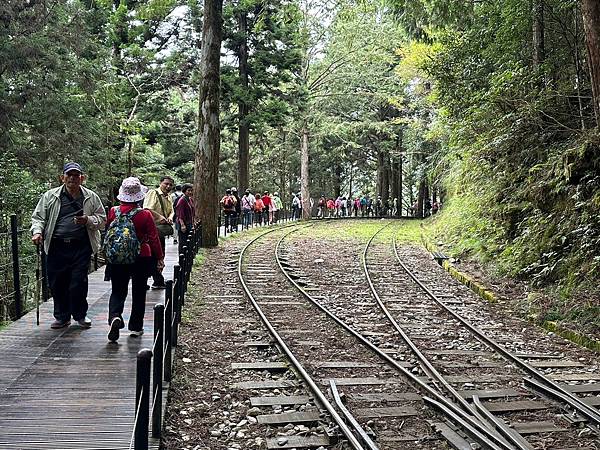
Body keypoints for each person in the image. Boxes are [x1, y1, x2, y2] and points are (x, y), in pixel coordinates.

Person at [31, 162, 106, 329]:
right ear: (62, 177)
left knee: (78, 281)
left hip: (81, 245)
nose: (72, 178)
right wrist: (37, 232)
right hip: (56, 245)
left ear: (82, 178)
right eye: (69, 175)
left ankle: (80, 315)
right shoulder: (50, 196)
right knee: (57, 282)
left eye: (76, 175)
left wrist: (87, 220)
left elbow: (102, 219)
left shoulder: (91, 197)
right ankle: (62, 317)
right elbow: (38, 218)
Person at [106, 177, 164, 342]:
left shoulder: (113, 211)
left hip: (117, 258)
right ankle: (136, 327)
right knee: (139, 293)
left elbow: (108, 233)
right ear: (139, 196)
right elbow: (153, 238)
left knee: (118, 290)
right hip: (141, 256)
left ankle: (115, 316)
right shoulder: (144, 214)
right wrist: (159, 258)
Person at [143, 176, 174, 289]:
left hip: (160, 230)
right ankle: (150, 280)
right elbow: (147, 209)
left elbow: (171, 211)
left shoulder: (169, 197)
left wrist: (170, 217)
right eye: (166, 184)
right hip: (151, 229)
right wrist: (159, 216)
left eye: (170, 185)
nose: (168, 186)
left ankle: (158, 279)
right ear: (160, 183)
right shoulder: (153, 193)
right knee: (151, 255)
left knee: (160, 254)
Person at [176, 184, 195, 254]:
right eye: (188, 190)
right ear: (184, 191)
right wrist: (182, 225)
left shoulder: (190, 199)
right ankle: (182, 259)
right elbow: (180, 213)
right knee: (183, 242)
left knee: (189, 241)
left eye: (191, 190)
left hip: (189, 223)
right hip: (183, 224)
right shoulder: (182, 200)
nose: (190, 192)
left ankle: (188, 256)